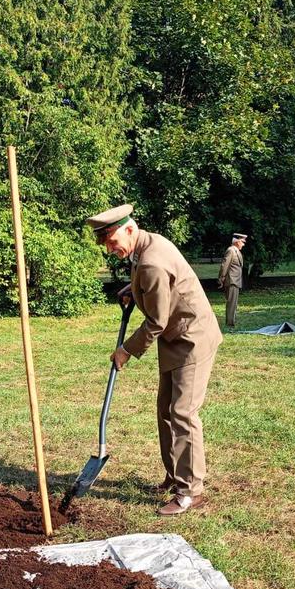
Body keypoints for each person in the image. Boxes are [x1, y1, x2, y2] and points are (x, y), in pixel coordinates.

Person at [85, 203, 223, 516]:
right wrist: (134, 289)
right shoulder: (145, 245)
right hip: (177, 338)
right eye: (106, 243)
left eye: (112, 241)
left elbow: (157, 321)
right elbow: (153, 280)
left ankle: (190, 491)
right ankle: (174, 477)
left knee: (183, 412)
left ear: (130, 229)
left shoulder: (151, 262)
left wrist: (126, 350)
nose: (110, 249)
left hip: (192, 340)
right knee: (165, 410)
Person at [217, 233, 246, 328]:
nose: (243, 244)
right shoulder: (231, 250)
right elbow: (224, 266)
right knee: (231, 302)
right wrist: (221, 279)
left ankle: (231, 321)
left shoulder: (236, 251)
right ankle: (230, 323)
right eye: (242, 242)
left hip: (235, 281)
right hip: (232, 281)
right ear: (237, 241)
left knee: (233, 302)